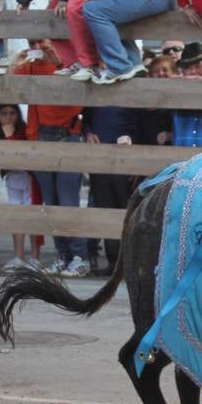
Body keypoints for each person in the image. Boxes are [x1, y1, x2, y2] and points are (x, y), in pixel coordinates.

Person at [12, 39, 89, 278]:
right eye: (34, 42)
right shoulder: (32, 64)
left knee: (68, 200)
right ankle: (63, 255)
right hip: (42, 136)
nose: (39, 46)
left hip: (67, 133)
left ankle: (80, 256)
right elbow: (10, 87)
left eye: (43, 42)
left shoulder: (71, 61)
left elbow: (82, 91)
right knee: (50, 202)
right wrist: (16, 63)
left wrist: (58, 59)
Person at [82, 100, 137, 275]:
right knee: (105, 209)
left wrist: (137, 155)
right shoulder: (98, 92)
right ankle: (114, 262)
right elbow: (86, 118)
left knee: (126, 210)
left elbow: (140, 123)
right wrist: (88, 133)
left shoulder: (131, 90)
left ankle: (129, 263)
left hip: (126, 159)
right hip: (100, 158)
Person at [0, 103, 41, 271]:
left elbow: (18, 155)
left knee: (32, 216)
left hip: (29, 177)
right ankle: (19, 256)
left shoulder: (24, 130)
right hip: (12, 177)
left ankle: (35, 258)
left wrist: (9, 135)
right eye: (4, 114)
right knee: (16, 216)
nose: (9, 117)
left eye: (12, 113)